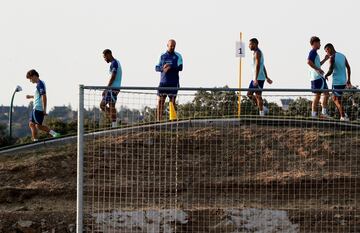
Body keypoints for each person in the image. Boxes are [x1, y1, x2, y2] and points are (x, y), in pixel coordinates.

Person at [26, 69, 60, 142]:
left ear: (34, 76)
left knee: (32, 124)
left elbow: (44, 96)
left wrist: (44, 109)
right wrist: (31, 97)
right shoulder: (40, 84)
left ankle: (36, 141)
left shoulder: (40, 84)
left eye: (30, 78)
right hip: (38, 108)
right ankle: (54, 134)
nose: (30, 81)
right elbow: (38, 96)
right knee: (37, 125)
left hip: (37, 108)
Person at [155, 39, 183, 121]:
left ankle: (173, 120)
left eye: (174, 46)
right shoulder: (162, 56)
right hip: (163, 83)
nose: (172, 47)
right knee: (160, 101)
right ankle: (158, 120)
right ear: (167, 45)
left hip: (173, 82)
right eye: (171, 46)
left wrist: (170, 67)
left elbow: (180, 67)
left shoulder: (178, 56)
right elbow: (156, 67)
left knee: (172, 102)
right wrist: (163, 68)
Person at [324, 43, 352, 121]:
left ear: (329, 49)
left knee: (335, 99)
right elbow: (349, 68)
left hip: (337, 82)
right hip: (343, 81)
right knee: (338, 99)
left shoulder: (332, 58)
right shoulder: (342, 55)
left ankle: (343, 116)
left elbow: (330, 70)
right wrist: (349, 80)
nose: (327, 53)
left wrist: (326, 75)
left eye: (326, 51)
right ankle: (343, 115)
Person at [247, 38, 273, 116]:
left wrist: (256, 78)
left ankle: (261, 113)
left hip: (258, 78)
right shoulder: (255, 53)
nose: (249, 46)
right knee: (249, 94)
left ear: (255, 44)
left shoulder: (258, 53)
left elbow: (259, 65)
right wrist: (267, 77)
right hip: (255, 78)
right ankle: (263, 108)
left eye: (250, 44)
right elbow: (263, 65)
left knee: (258, 95)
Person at [307, 36, 330, 118]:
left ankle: (315, 114)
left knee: (320, 95)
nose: (320, 44)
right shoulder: (312, 52)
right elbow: (309, 62)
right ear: (315, 43)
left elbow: (317, 64)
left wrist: (324, 59)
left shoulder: (315, 53)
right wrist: (318, 69)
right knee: (324, 94)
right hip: (317, 77)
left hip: (317, 77)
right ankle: (322, 113)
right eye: (319, 43)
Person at [101, 49, 122, 128]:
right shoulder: (117, 62)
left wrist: (106, 88)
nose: (105, 59)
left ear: (109, 54)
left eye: (105, 57)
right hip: (115, 88)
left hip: (112, 88)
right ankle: (115, 122)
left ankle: (115, 122)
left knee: (103, 105)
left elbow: (113, 77)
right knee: (111, 106)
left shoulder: (114, 63)